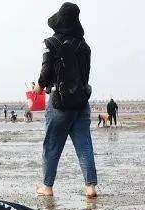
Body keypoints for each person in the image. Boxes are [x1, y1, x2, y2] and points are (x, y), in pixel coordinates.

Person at [36, 2, 98, 199]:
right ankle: (90, 188)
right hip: (81, 102)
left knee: (52, 145)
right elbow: (85, 76)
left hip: (59, 104)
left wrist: (38, 87)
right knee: (84, 144)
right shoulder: (85, 46)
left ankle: (47, 187)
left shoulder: (50, 43)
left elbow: (46, 72)